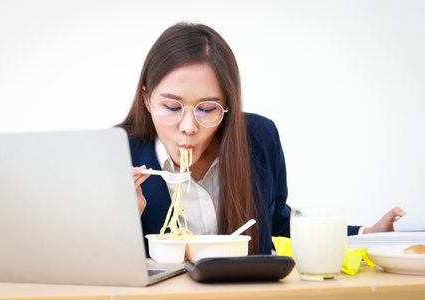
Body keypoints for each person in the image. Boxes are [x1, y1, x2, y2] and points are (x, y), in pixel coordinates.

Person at [117, 23, 405, 255]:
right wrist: (120, 221)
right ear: (146, 98)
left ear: (228, 104)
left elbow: (279, 226)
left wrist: (368, 234)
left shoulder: (259, 138)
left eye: (207, 109)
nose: (189, 126)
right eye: (171, 107)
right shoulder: (114, 154)